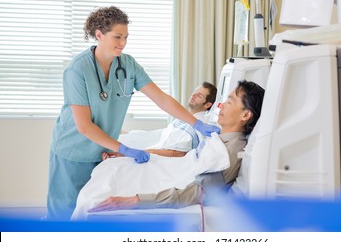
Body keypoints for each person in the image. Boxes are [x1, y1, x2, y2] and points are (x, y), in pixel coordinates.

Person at [46, 6, 220, 221]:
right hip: (72, 151)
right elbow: (84, 126)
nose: (123, 43)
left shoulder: (127, 65)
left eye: (126, 37)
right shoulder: (78, 70)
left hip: (101, 150)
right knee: (62, 216)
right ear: (99, 35)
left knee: (88, 212)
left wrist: (196, 124)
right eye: (117, 37)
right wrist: (123, 148)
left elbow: (161, 99)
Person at [86, 80, 265, 213]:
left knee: (97, 196)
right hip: (170, 169)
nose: (221, 105)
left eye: (230, 101)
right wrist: (128, 155)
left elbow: (196, 193)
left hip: (172, 180)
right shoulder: (218, 137)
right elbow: (188, 159)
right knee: (113, 169)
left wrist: (136, 200)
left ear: (245, 115)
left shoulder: (229, 153)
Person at [105, 81, 217, 159]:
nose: (193, 95)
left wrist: (129, 154)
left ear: (207, 104)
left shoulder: (199, 126)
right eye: (194, 92)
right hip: (155, 142)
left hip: (157, 153)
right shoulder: (183, 117)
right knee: (119, 135)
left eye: (199, 96)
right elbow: (164, 135)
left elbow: (177, 153)